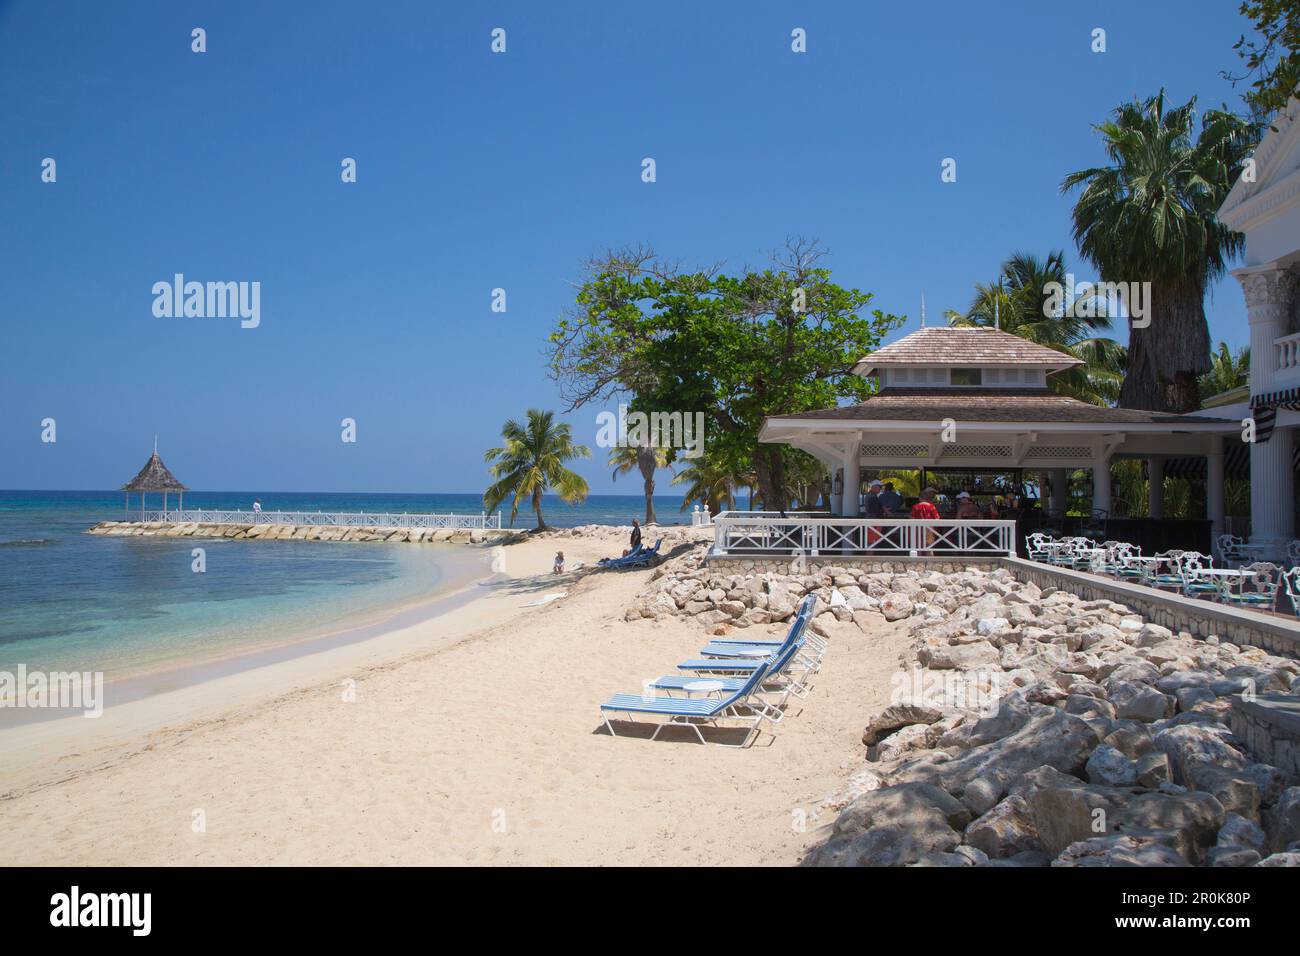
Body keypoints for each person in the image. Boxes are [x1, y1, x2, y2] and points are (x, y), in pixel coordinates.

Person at [911, 487, 941, 554]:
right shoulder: (931, 506)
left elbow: (912, 519)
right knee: (929, 547)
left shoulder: (915, 506)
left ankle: (918, 562)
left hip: (918, 528)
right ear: (927, 498)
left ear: (919, 498)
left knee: (919, 547)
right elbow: (937, 518)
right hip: (929, 528)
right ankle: (930, 562)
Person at [864, 479, 885, 547]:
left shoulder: (871, 495)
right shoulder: (872, 497)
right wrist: (883, 511)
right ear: (875, 487)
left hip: (872, 521)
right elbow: (874, 510)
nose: (880, 489)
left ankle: (870, 556)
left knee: (872, 542)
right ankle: (869, 557)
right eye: (880, 487)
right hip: (873, 522)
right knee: (871, 543)